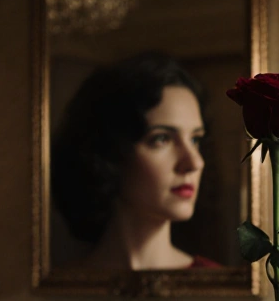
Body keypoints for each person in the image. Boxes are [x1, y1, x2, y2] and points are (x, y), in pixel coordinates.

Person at [52, 52, 220, 271]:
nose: (195, 162)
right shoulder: (56, 284)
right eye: (162, 139)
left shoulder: (217, 282)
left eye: (195, 139)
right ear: (109, 151)